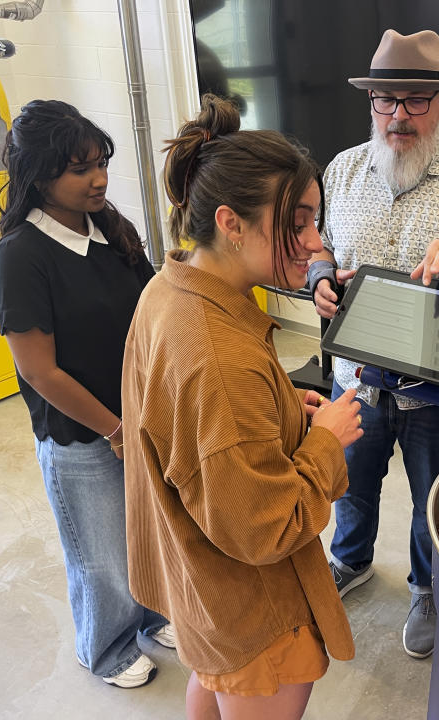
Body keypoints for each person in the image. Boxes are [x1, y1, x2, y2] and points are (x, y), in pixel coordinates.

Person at [121, 94, 362, 720]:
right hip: (252, 609)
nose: (315, 245)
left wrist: (281, 403)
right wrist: (327, 439)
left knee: (211, 686)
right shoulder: (217, 357)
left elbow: (196, 427)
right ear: (230, 222)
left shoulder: (168, 287)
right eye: (300, 221)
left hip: (197, 584)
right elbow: (262, 526)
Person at [308, 29, 439, 659]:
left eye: (415, 100)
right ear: (371, 102)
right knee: (350, 480)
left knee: (436, 497)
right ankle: (350, 561)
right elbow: (317, 243)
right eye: (384, 100)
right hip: (357, 376)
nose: (397, 114)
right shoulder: (342, 169)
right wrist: (321, 275)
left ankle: (428, 588)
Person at [0, 100, 173, 688]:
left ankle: (151, 613)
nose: (98, 179)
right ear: (40, 176)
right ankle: (108, 646)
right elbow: (40, 372)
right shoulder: (24, 254)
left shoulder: (110, 227)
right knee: (99, 554)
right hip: (81, 433)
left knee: (147, 530)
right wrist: (113, 429)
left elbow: (153, 305)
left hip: (138, 418)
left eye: (101, 163)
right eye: (79, 169)